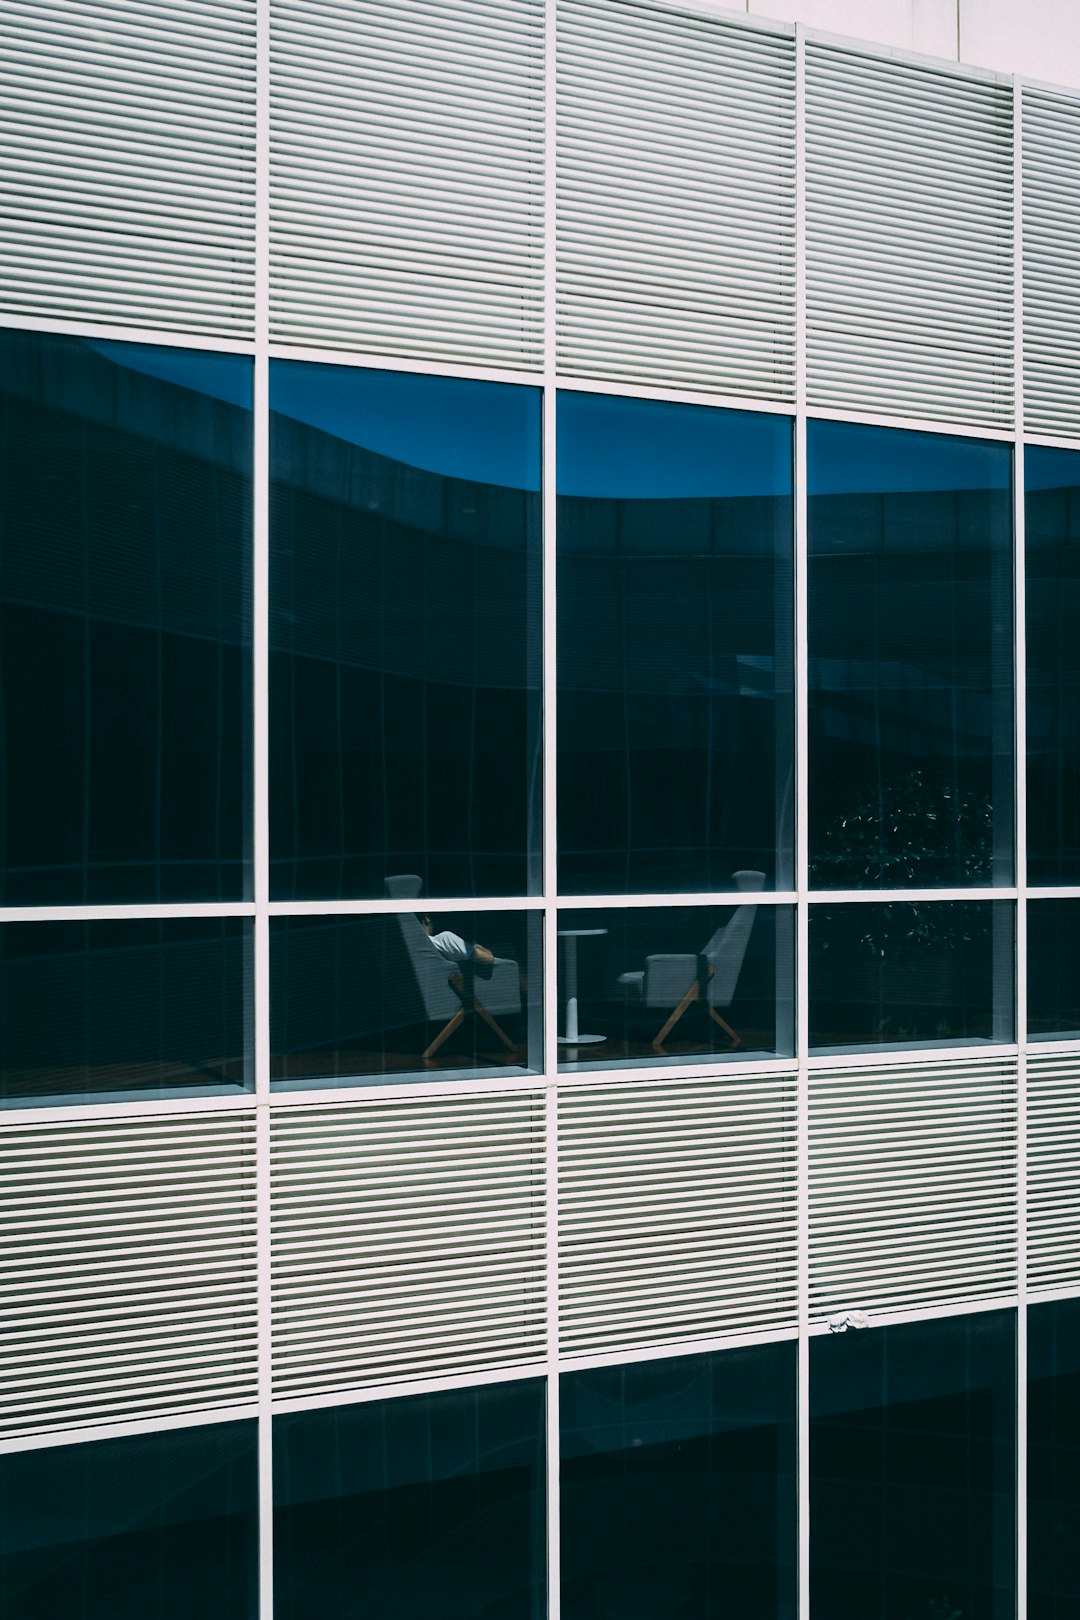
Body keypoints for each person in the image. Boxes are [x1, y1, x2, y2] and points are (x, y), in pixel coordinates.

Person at [418, 915, 494, 967]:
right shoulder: (443, 939)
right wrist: (475, 945)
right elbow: (488, 959)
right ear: (426, 919)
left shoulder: (413, 947)